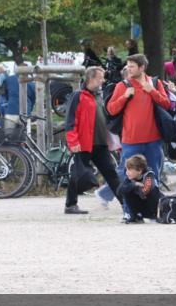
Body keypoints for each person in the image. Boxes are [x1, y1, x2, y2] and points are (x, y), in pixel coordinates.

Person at [99, 54, 170, 205]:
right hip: (131, 140)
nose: (128, 69)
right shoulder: (122, 86)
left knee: (153, 174)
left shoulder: (155, 83)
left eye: (132, 66)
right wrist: (124, 97)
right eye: (128, 66)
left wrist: (152, 91)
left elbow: (166, 104)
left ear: (142, 67)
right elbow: (111, 110)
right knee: (126, 174)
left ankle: (153, 204)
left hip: (153, 139)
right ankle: (121, 201)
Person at [63, 66, 122, 214]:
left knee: (111, 174)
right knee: (77, 174)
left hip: (101, 143)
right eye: (100, 77)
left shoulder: (98, 96)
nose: (103, 80)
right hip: (84, 143)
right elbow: (70, 121)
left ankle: (126, 203)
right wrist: (73, 141)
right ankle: (70, 205)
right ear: (91, 79)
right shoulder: (78, 96)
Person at [117, 154, 162, 224]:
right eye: (126, 170)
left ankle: (154, 215)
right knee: (127, 190)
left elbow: (145, 192)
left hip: (153, 206)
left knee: (153, 191)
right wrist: (134, 185)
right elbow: (119, 191)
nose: (127, 172)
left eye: (130, 170)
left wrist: (138, 188)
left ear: (139, 171)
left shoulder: (149, 176)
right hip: (141, 207)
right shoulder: (130, 179)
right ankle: (136, 216)